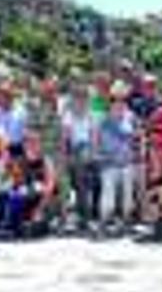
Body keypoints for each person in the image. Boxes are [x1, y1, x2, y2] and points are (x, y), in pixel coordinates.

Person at [96, 90, 137, 230]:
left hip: (127, 162)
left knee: (128, 196)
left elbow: (137, 136)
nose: (119, 104)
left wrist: (135, 152)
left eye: (122, 101)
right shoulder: (103, 120)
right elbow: (96, 140)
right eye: (115, 101)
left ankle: (126, 220)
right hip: (108, 163)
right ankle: (104, 220)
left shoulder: (130, 117)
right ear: (111, 103)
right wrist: (99, 156)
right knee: (108, 196)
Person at [59, 86, 99, 228]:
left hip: (86, 149)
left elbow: (94, 137)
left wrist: (93, 155)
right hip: (73, 149)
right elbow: (65, 137)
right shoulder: (68, 115)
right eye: (78, 98)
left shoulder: (92, 115)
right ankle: (75, 214)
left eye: (84, 98)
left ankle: (84, 215)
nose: (81, 101)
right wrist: (64, 155)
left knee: (82, 177)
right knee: (73, 179)